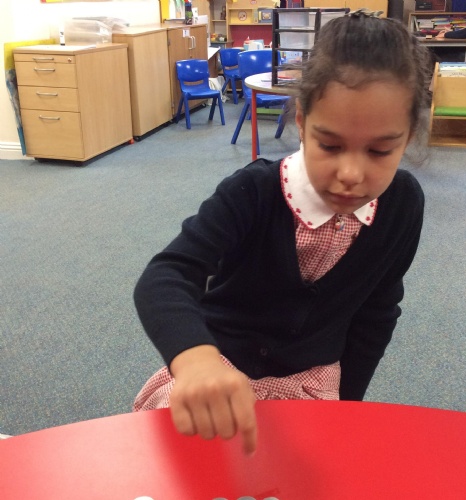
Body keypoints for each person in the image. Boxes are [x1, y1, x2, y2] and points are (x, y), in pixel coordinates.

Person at [133, 10, 431, 455]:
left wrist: (349, 409)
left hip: (311, 382)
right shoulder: (253, 191)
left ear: (407, 138)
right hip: (220, 369)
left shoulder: (402, 205)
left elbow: (377, 313)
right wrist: (196, 361)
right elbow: (166, 275)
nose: (351, 174)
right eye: (330, 145)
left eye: (380, 151)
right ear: (303, 121)